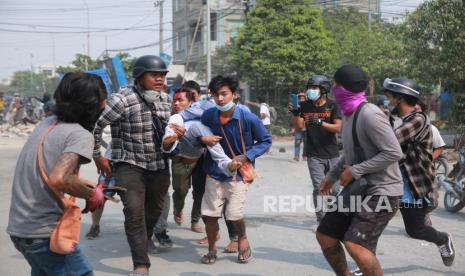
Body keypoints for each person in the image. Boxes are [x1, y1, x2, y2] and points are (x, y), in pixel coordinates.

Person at [7, 72, 107, 275]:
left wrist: (83, 186)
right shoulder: (79, 134)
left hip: (21, 229)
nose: (105, 105)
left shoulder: (48, 123)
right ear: (93, 105)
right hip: (44, 233)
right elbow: (59, 178)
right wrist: (93, 194)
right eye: (102, 100)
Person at [317, 65, 403, 276]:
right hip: (358, 190)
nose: (334, 88)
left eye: (336, 85)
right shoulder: (349, 114)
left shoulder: (370, 114)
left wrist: (355, 171)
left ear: (343, 88)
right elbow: (351, 152)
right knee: (325, 234)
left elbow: (393, 152)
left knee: (356, 245)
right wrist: (332, 176)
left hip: (382, 191)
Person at [92, 55, 172, 276]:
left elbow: (171, 131)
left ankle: (144, 238)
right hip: (129, 164)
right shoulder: (122, 100)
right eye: (154, 75)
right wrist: (97, 154)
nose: (159, 79)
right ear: (139, 76)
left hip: (159, 164)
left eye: (162, 75)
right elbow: (95, 126)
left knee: (154, 210)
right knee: (134, 211)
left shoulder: (166, 100)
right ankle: (141, 264)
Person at [199, 75, 272, 264]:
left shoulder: (248, 117)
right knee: (209, 214)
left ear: (233, 94)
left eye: (224, 94)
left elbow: (266, 141)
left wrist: (246, 156)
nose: (220, 99)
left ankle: (243, 239)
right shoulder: (208, 116)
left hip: (239, 174)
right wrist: (201, 139)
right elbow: (196, 134)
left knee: (234, 214)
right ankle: (212, 249)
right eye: (216, 95)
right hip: (214, 171)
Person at [384, 77, 455, 267]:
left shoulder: (418, 120)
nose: (387, 99)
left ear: (400, 98)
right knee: (371, 220)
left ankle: (442, 239)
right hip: (389, 181)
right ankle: (364, 262)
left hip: (411, 185)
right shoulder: (398, 118)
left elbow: (389, 140)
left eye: (389, 96)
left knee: (415, 230)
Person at [290, 75, 342, 222]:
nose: (310, 91)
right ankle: (322, 220)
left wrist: (320, 122)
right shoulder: (305, 106)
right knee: (320, 187)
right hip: (314, 154)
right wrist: (295, 114)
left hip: (332, 154)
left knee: (335, 189)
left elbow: (338, 128)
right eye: (309, 88)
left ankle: (332, 215)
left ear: (323, 89)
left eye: (314, 88)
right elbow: (300, 126)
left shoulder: (333, 105)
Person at [292, 92, 307, 161]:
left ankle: (305, 155)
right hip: (298, 128)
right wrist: (292, 127)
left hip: (306, 128)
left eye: (303, 98)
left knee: (306, 143)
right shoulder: (295, 108)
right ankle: (296, 156)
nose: (301, 99)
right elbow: (293, 118)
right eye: (300, 98)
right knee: (297, 142)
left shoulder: (308, 107)